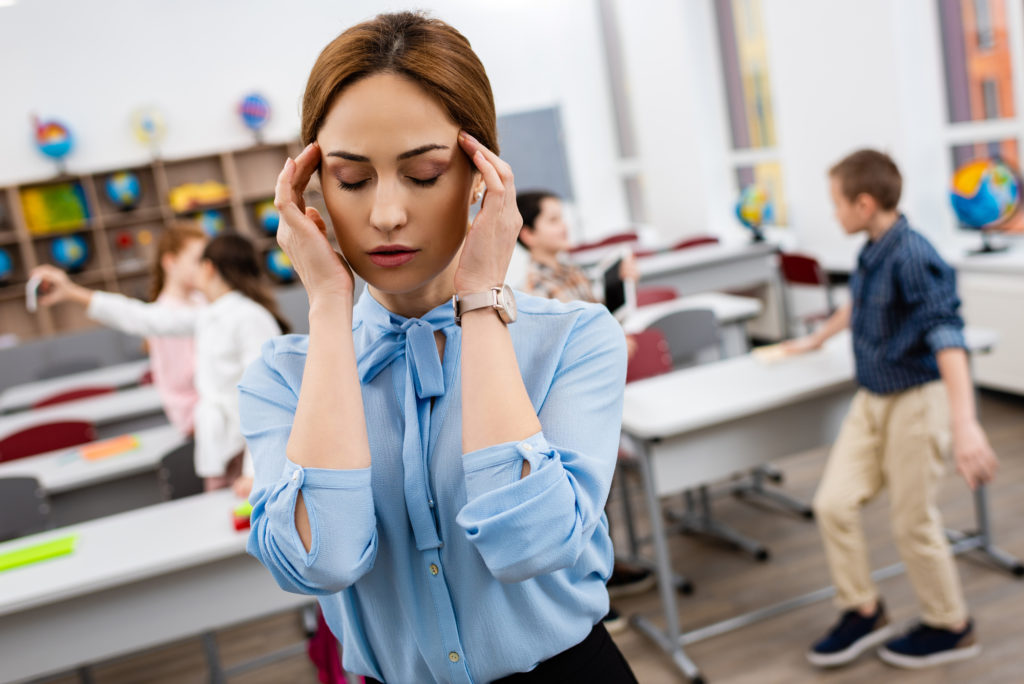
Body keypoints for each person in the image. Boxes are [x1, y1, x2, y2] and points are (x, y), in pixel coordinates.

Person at [238, 12, 636, 684]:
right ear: (313, 189)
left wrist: (481, 297)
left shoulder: (574, 339)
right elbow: (322, 560)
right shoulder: (282, 379)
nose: (387, 214)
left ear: (481, 174)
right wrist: (328, 308)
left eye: (424, 174)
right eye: (353, 180)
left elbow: (531, 544)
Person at [782, 150, 998, 669]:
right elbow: (857, 302)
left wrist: (966, 423)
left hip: (917, 401)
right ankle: (863, 608)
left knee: (912, 522)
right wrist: (817, 340)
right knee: (833, 504)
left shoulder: (913, 255)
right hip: (873, 398)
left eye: (837, 204)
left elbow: (948, 336)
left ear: (864, 202)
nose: (833, 215)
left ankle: (952, 624)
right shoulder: (872, 248)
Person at [31, 233, 287, 493]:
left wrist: (254, 471)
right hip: (225, 446)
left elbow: (265, 397)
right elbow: (141, 317)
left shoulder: (249, 318)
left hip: (249, 451)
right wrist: (73, 293)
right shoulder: (209, 315)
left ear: (208, 268)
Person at [516, 189, 653, 633]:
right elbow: (563, 343)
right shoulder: (533, 287)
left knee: (600, 494)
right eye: (553, 220)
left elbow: (597, 317)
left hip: (596, 401)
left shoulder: (569, 270)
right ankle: (589, 590)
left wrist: (618, 292)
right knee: (582, 495)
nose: (564, 227)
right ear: (528, 233)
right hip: (565, 408)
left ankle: (605, 572)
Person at [34, 222, 207, 437]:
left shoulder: (202, 301)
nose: (206, 268)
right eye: (198, 260)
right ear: (171, 262)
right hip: (199, 421)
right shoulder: (166, 314)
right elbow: (134, 316)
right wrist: (71, 291)